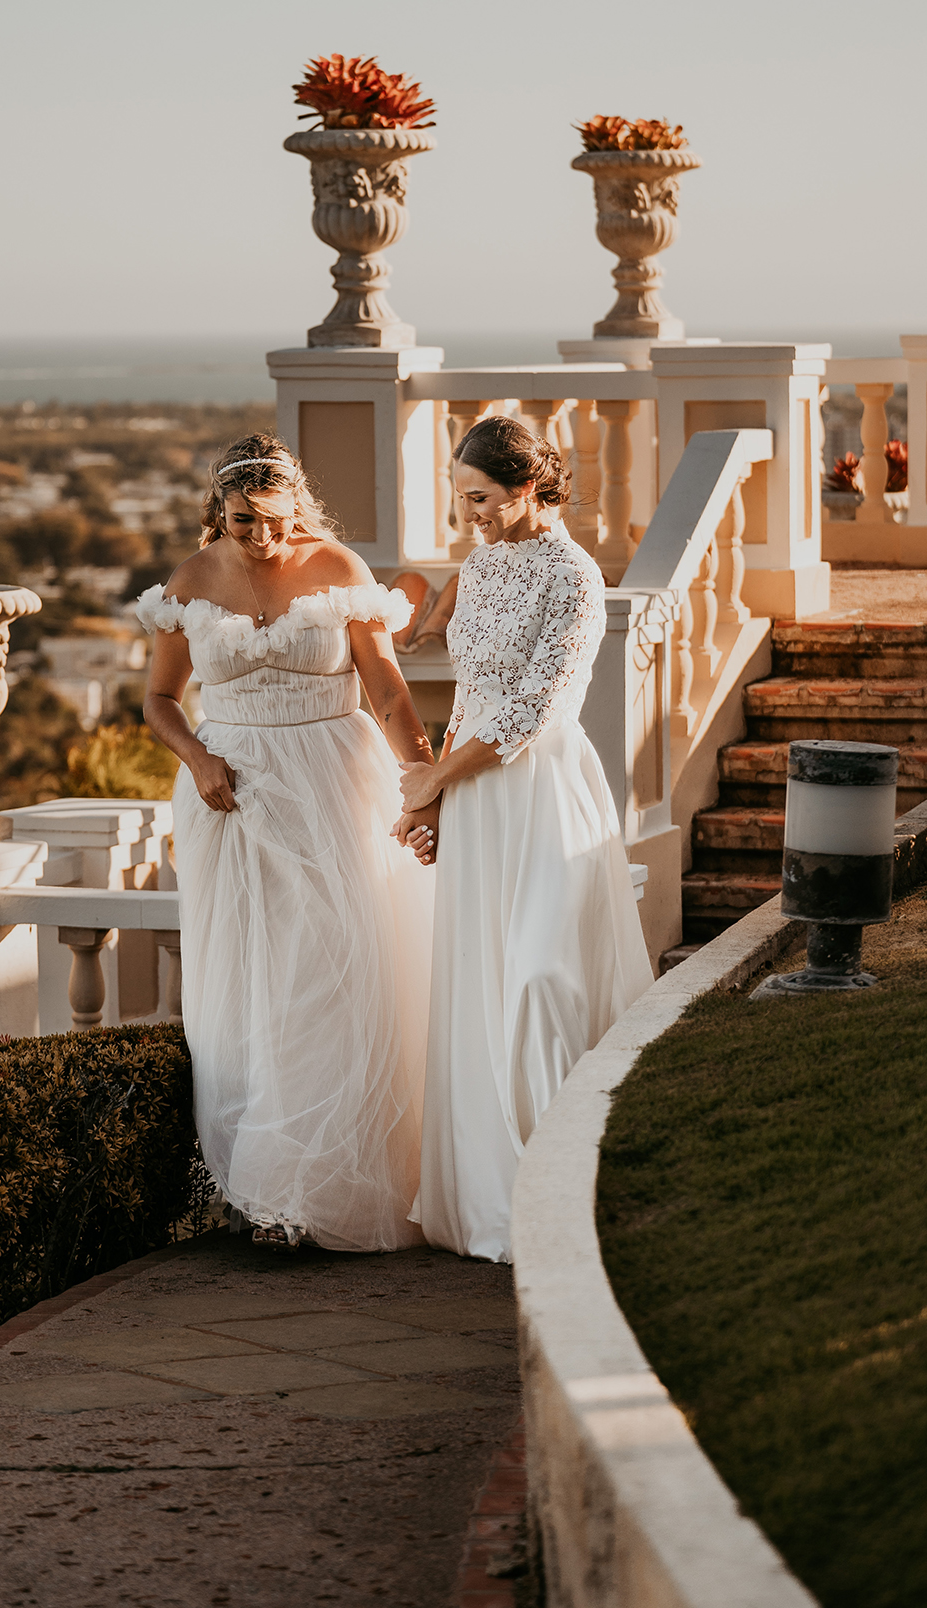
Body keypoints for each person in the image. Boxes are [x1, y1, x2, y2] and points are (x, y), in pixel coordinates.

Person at [139, 432, 438, 1253]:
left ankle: (334, 1186)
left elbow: (386, 688)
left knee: (333, 974)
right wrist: (196, 757)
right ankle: (268, 1193)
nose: (262, 537)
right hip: (229, 795)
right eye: (243, 522)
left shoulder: (339, 570)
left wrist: (425, 780)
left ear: (297, 507)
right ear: (219, 512)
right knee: (252, 982)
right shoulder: (190, 582)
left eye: (274, 520)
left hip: (334, 786)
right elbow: (160, 700)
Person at [398, 415, 653, 1263]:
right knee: (481, 983)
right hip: (475, 801)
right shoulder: (479, 564)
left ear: (529, 486)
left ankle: (559, 1190)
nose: (468, 512)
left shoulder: (576, 576)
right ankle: (488, 1195)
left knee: (545, 976)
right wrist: (435, 800)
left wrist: (435, 777)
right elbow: (470, 693)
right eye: (461, 496)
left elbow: (538, 708)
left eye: (480, 497)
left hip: (541, 793)